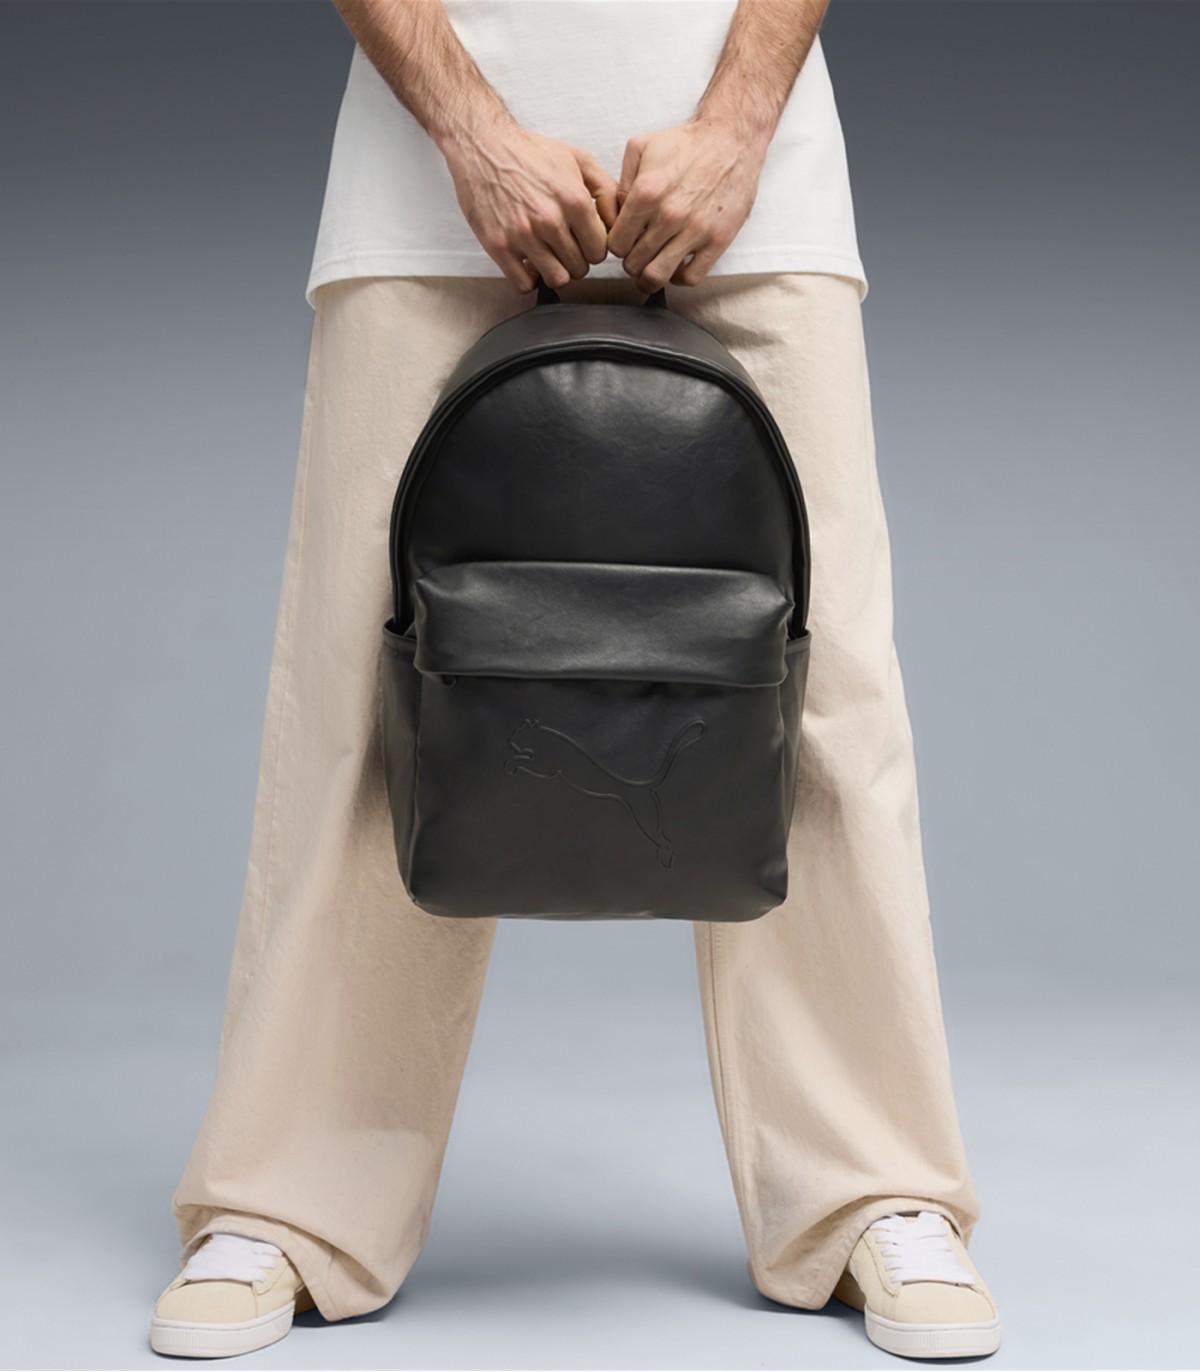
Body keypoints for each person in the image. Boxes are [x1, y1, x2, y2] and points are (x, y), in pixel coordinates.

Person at [150, 0, 1001, 1361]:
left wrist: (737, 127)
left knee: (822, 704)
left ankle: (873, 1193)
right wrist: (470, 128)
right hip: (430, 190)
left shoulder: (746, 154)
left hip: (750, 187)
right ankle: (288, 1202)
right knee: (367, 703)